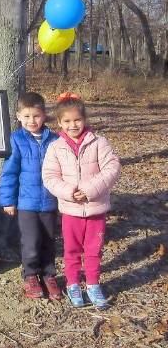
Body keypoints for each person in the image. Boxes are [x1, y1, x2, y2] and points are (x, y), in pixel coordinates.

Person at [42, 92, 121, 309]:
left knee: (94, 249)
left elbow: (112, 168)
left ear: (84, 120)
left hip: (96, 208)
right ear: (59, 123)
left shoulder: (99, 142)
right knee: (72, 250)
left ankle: (94, 284)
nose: (73, 125)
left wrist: (89, 189)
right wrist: (70, 191)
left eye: (77, 120)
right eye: (66, 121)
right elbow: (49, 176)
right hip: (71, 210)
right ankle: (73, 284)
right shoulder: (55, 147)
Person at [0, 92, 62, 300]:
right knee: (31, 241)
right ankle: (31, 275)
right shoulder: (16, 140)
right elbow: (9, 172)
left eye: (36, 116)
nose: (31, 121)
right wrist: (8, 200)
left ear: (44, 116)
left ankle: (49, 275)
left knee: (48, 240)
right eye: (26, 116)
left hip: (50, 202)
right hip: (26, 203)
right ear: (18, 116)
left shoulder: (55, 140)